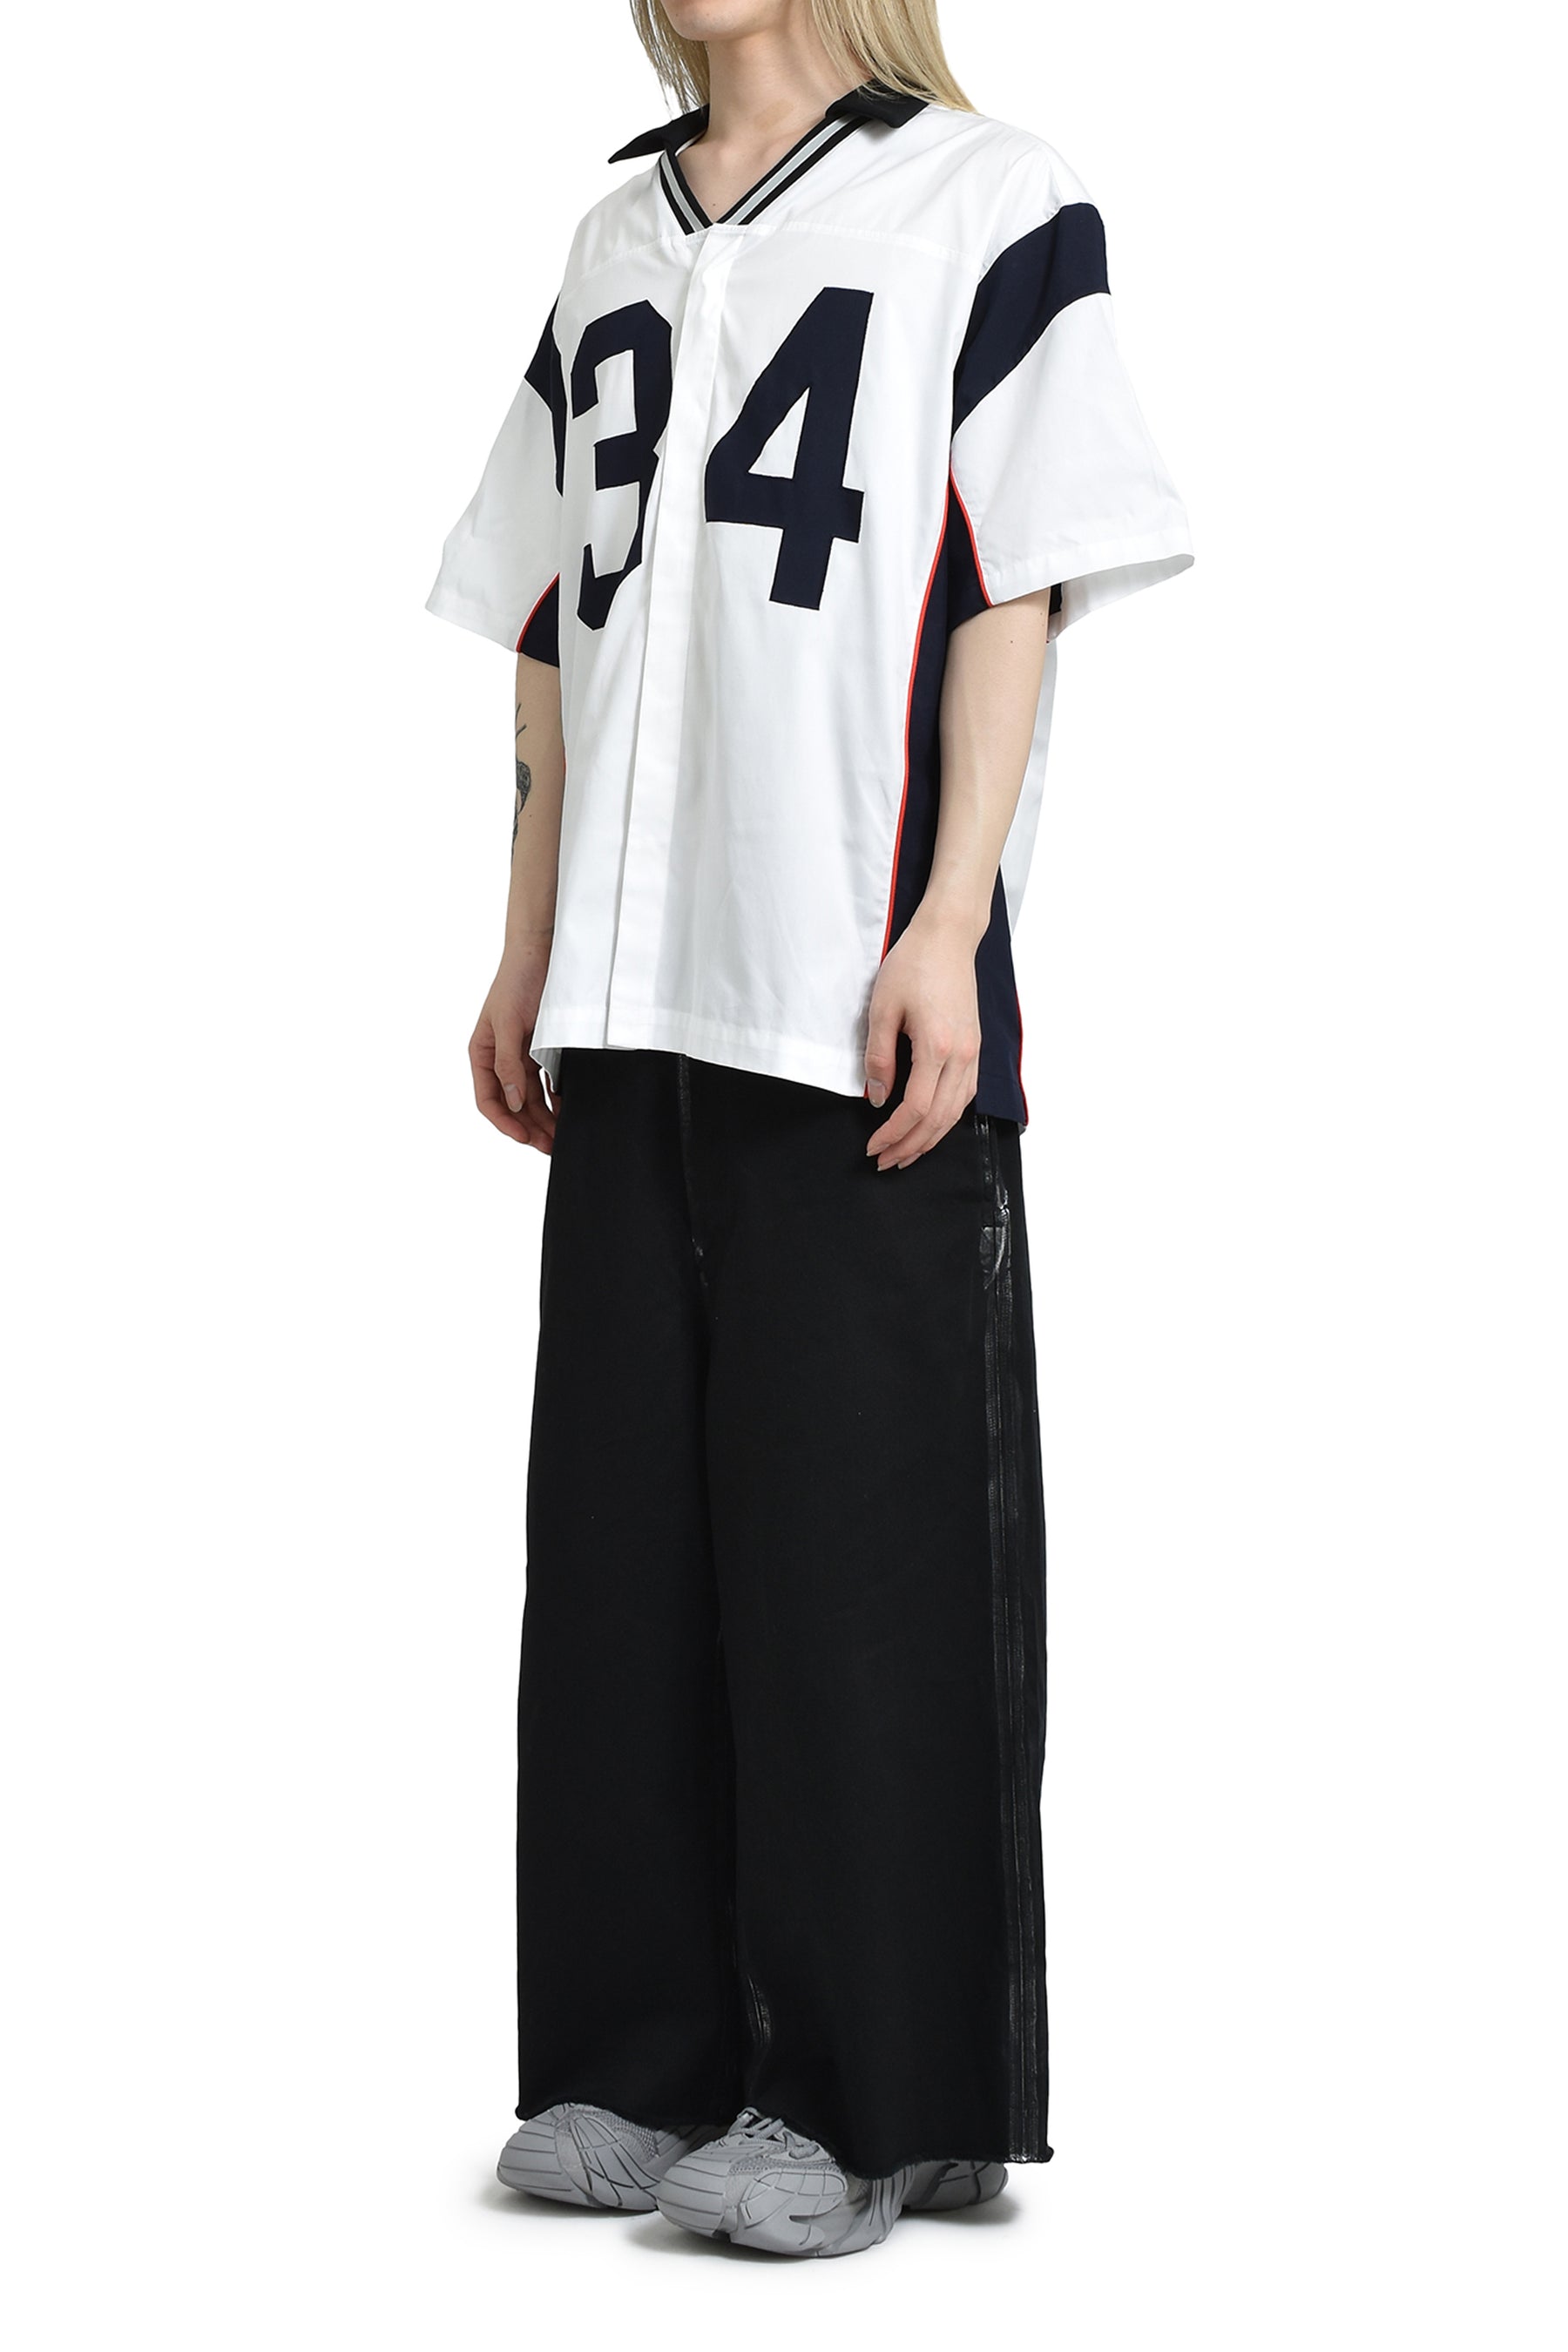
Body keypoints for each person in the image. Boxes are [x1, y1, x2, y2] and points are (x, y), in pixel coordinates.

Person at [426, 0, 1191, 2260]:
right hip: (628, 988)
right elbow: (549, 612)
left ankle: (882, 2095)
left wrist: (953, 919)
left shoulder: (989, 199)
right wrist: (524, 938)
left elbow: (1018, 577)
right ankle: (643, 2055)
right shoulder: (610, 239)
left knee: (864, 1554)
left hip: (842, 975)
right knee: (625, 1544)